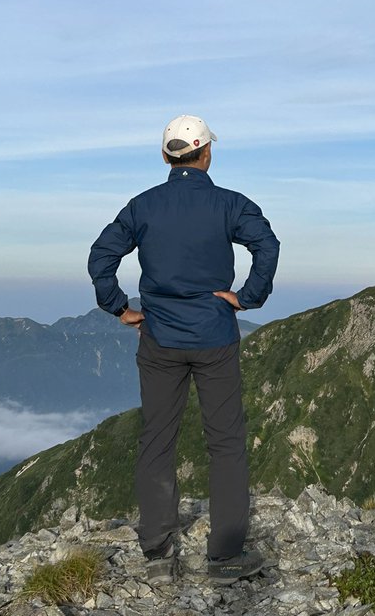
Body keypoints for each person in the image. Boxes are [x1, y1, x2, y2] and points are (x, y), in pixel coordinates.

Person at [88, 114, 280, 587]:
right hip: (214, 338)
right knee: (226, 443)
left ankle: (157, 551)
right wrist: (248, 296)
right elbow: (267, 245)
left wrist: (121, 309)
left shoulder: (144, 206)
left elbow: (101, 256)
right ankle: (224, 557)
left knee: (157, 439)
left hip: (159, 338)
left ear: (165, 156)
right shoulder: (228, 204)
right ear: (207, 152)